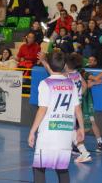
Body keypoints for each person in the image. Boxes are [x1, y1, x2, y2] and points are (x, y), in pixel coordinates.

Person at [28, 51, 85, 183]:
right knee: (62, 169)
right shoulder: (71, 84)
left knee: (39, 168)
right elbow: (77, 108)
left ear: (49, 64)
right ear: (64, 65)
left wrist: (32, 131)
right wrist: (81, 128)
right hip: (65, 133)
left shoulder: (45, 83)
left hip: (48, 133)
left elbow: (42, 109)